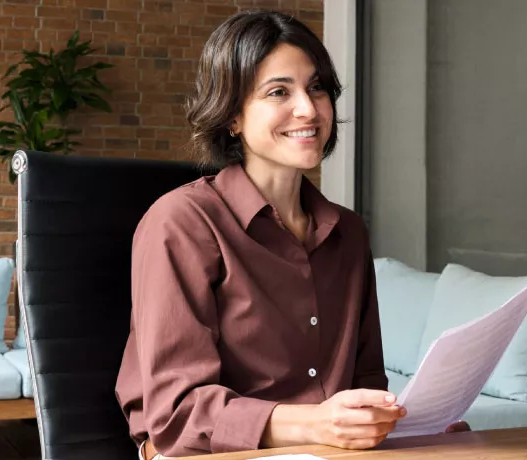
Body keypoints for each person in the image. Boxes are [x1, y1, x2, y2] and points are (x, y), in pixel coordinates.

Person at [115, 10, 408, 458]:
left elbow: (366, 379)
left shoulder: (348, 232)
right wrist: (316, 423)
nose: (309, 109)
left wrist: (386, 418)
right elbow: (179, 416)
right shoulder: (182, 223)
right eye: (278, 92)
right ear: (232, 116)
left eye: (316, 87)